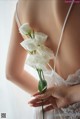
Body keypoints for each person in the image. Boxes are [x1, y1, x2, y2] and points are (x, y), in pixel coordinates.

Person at [6, 0, 80, 118]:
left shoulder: (21, 6)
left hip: (51, 113)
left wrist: (48, 97)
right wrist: (70, 94)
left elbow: (12, 74)